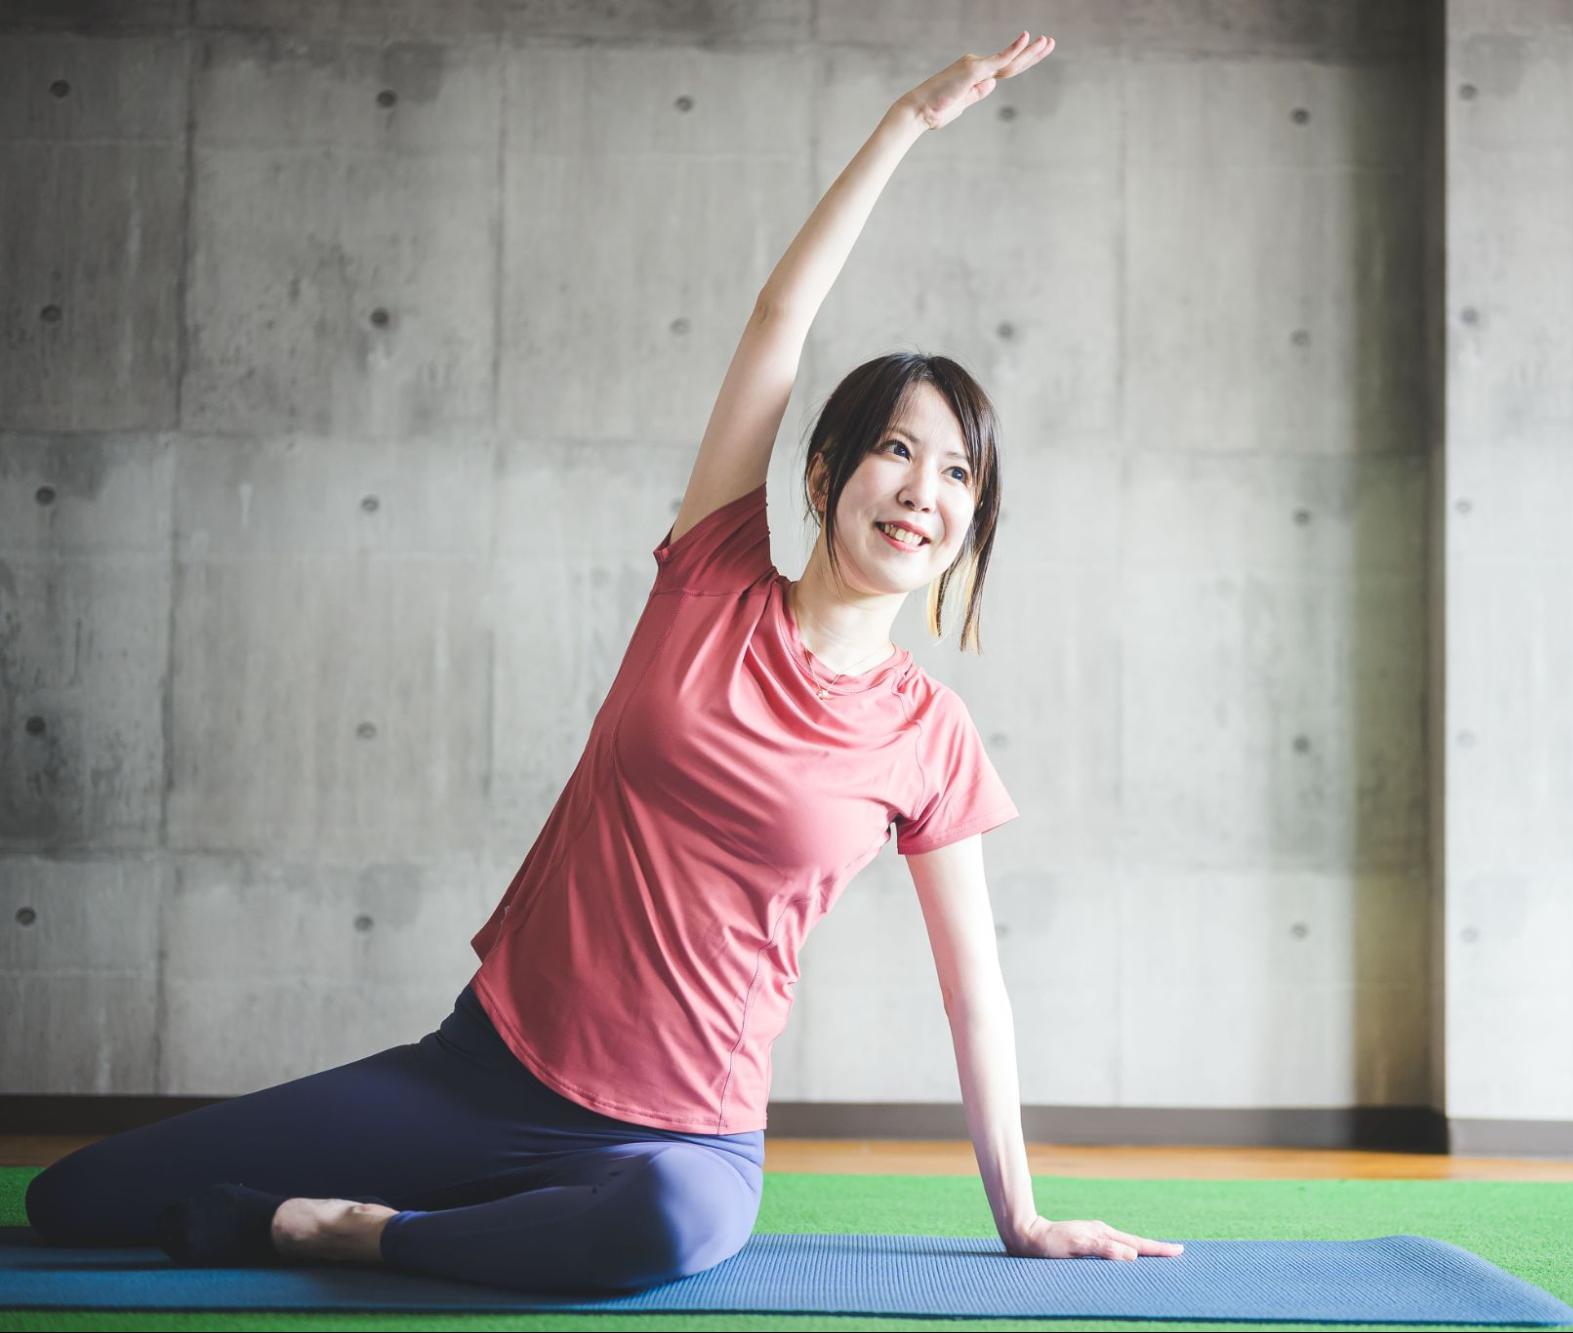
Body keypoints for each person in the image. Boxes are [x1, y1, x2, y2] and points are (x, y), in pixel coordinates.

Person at [24, 30, 1181, 1293]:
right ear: (825, 473)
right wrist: (906, 121)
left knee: (667, 1229)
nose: (921, 489)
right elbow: (780, 320)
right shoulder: (711, 575)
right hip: (482, 1078)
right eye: (896, 450)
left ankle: (355, 1233)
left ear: (970, 525)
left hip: (682, 1140)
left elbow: (974, 994)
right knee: (73, 1201)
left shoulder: (929, 735)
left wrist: (1022, 1215)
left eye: (957, 473)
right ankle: (467, 1206)